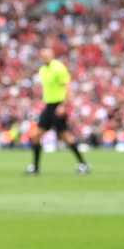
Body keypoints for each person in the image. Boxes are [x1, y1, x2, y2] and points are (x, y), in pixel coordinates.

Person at [26, 47, 90, 176]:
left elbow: (67, 87)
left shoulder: (59, 68)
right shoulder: (43, 70)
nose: (45, 57)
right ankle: (36, 168)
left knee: (65, 136)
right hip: (49, 106)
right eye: (43, 55)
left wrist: (64, 106)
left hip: (58, 105)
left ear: (52, 55)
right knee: (36, 135)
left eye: (47, 55)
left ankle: (83, 164)